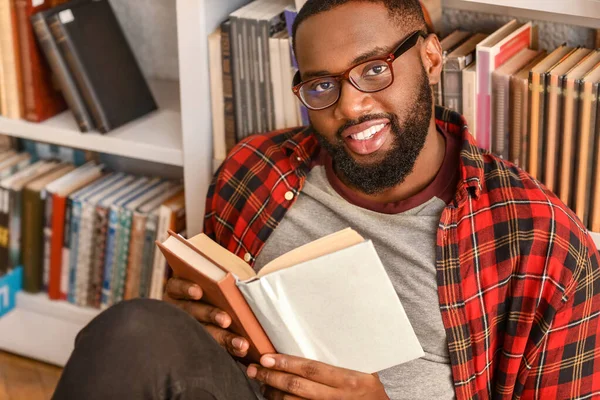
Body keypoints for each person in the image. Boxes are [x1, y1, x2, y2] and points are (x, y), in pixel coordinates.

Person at [52, 1, 600, 399]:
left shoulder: (540, 240)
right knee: (136, 331)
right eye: (321, 86)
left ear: (431, 59)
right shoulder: (254, 173)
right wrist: (192, 323)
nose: (352, 106)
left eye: (374, 69)